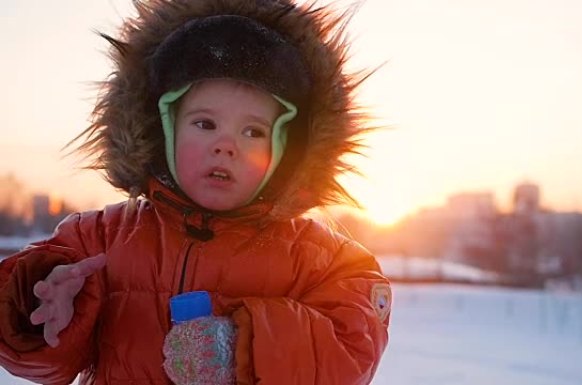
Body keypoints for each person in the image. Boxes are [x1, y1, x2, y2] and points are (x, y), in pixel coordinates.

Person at [0, 1, 391, 384]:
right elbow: (41, 360)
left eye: (252, 132)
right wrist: (39, 310)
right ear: (162, 130)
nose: (226, 146)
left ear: (286, 152)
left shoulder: (322, 260)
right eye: (205, 124)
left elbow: (351, 348)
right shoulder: (97, 240)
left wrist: (243, 348)